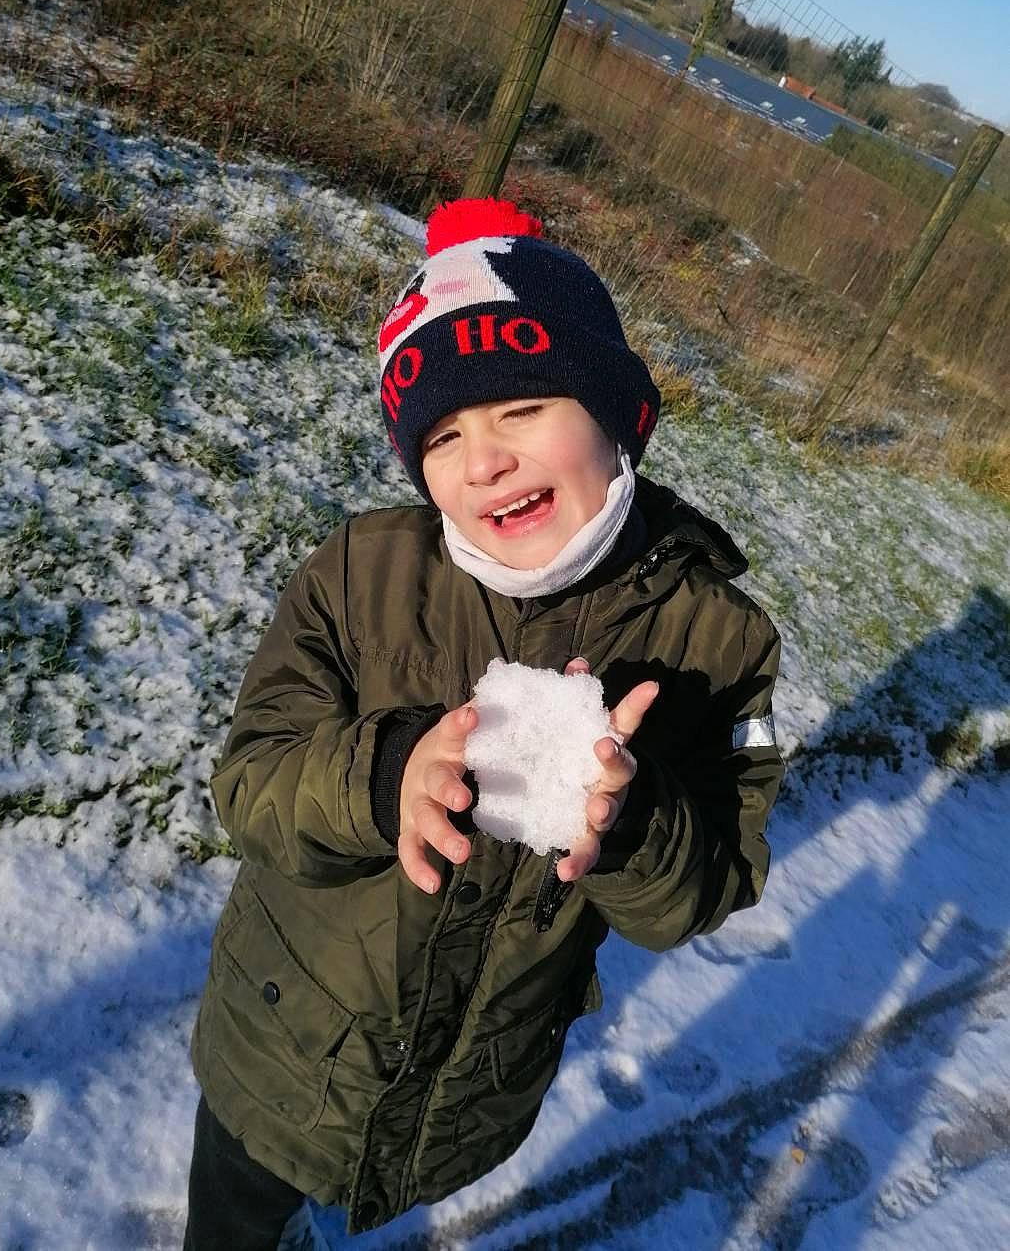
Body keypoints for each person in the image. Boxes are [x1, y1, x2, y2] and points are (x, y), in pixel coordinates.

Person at [183, 198, 784, 1249]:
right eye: (444, 435)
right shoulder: (359, 576)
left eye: (520, 408)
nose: (483, 460)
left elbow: (709, 884)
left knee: (356, 1227)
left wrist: (635, 826)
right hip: (278, 1058)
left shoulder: (714, 642)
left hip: (468, 1094)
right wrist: (380, 778)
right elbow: (253, 783)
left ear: (616, 412)